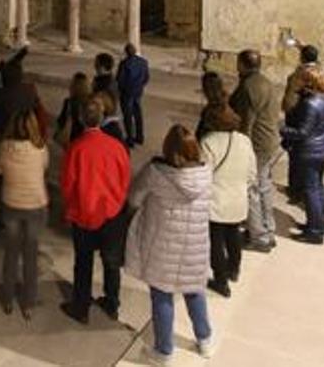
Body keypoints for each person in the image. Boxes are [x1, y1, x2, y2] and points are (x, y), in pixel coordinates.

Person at [125, 124, 215, 363]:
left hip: (162, 245)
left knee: (162, 294)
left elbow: (134, 198)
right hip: (195, 245)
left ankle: (164, 351)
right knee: (195, 289)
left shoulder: (156, 172)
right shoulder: (207, 174)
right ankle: (204, 339)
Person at [60, 97, 131, 324]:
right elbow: (125, 179)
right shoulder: (117, 147)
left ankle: (81, 306)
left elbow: (68, 184)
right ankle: (112, 303)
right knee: (111, 262)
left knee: (83, 261)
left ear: (81, 119)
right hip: (111, 213)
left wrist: (71, 207)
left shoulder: (77, 147)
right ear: (102, 118)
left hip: (83, 214)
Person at [0, 84, 50, 319]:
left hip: (11, 204)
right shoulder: (40, 150)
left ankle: (7, 298)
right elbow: (45, 168)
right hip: (35, 205)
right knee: (30, 256)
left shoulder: (4, 148)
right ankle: (28, 302)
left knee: (11, 253)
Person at [197, 101, 254, 297]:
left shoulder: (208, 142)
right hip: (237, 199)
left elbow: (202, 174)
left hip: (216, 201)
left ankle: (221, 281)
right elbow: (252, 173)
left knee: (215, 242)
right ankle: (234, 270)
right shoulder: (244, 141)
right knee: (234, 236)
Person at [229, 50, 282, 252]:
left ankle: (259, 236)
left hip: (257, 145)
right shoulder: (264, 81)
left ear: (242, 64)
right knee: (264, 187)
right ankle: (268, 230)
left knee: (252, 190)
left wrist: (241, 147)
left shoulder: (249, 87)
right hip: (269, 142)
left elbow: (246, 121)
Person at [281, 69, 324, 244]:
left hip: (310, 151)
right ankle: (317, 224)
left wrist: (282, 129)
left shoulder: (310, 104)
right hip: (323, 147)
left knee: (311, 190)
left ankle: (315, 231)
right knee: (317, 187)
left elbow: (302, 132)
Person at [282, 45, 324, 204]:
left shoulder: (299, 74)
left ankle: (296, 190)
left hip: (299, 115)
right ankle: (304, 188)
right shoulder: (321, 70)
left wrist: (287, 112)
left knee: (296, 154)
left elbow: (291, 98)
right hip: (316, 119)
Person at [116, 44, 150, 147]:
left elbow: (120, 79)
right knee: (138, 114)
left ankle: (130, 138)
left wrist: (121, 90)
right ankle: (140, 136)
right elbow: (146, 77)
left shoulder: (124, 64)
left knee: (128, 116)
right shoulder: (143, 62)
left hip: (127, 93)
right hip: (137, 91)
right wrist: (140, 86)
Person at [56, 72, 92, 145]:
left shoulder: (69, 102)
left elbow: (61, 120)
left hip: (73, 136)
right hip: (87, 136)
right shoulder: (91, 101)